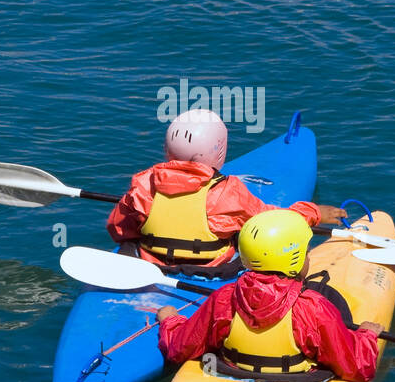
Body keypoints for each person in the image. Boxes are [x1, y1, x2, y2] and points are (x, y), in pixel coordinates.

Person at [156, 209, 383, 381]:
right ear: (294, 259)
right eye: (305, 253)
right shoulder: (313, 308)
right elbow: (356, 367)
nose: (309, 259)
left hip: (232, 373)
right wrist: (367, 336)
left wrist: (170, 320)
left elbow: (180, 348)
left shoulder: (224, 298)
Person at [107, 109, 345, 268]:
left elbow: (117, 229)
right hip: (213, 272)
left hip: (152, 264)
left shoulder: (142, 184)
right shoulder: (227, 192)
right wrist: (313, 213)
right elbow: (271, 223)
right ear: (219, 150)